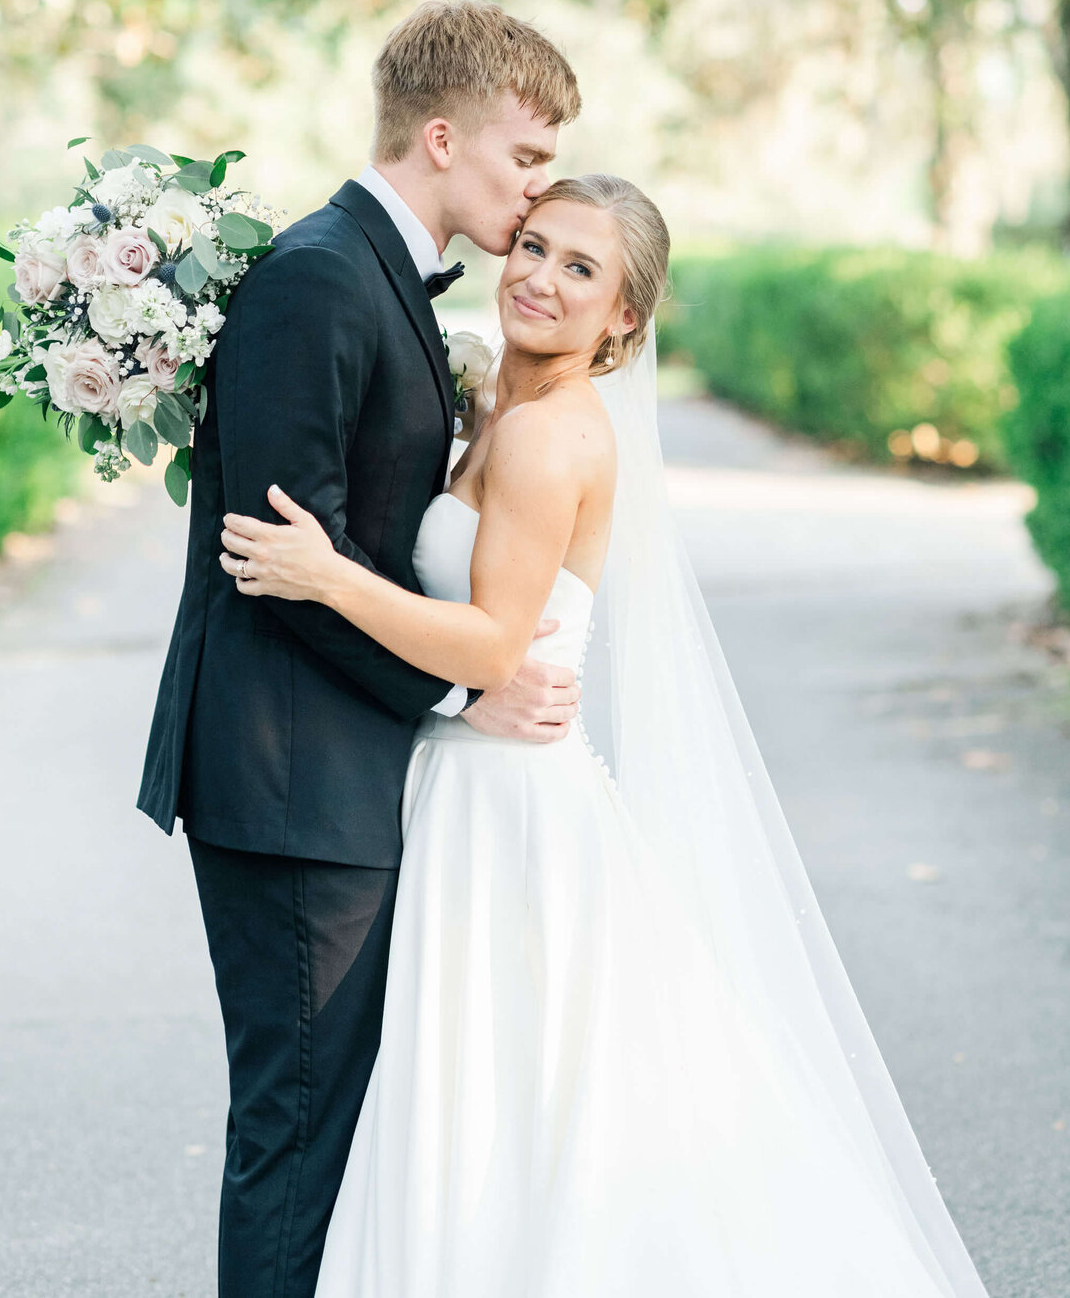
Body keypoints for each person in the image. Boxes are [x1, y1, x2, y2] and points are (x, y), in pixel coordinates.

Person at [219, 174, 994, 1298]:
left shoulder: (549, 441)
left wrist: (327, 577)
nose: (539, 276)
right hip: (467, 786)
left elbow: (491, 646)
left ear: (625, 316)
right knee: (495, 1112)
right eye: (534, 246)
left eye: (582, 269)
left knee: (519, 1117)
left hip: (512, 810)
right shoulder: (498, 406)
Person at [137, 0, 582, 1298]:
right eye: (523, 158)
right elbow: (281, 566)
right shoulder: (319, 277)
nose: (534, 187)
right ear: (442, 138)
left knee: (336, 1128)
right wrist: (466, 680)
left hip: (337, 774)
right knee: (297, 1135)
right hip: (287, 784)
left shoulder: (379, 275)